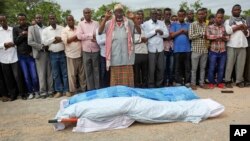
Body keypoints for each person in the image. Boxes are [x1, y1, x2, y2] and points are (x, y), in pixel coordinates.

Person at [98, 3, 141, 87]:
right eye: (117, 12)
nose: (119, 14)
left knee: (128, 84)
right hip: (115, 59)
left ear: (123, 13)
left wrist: (134, 19)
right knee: (116, 84)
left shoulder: (129, 23)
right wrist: (105, 18)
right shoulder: (108, 24)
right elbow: (99, 32)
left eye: (121, 12)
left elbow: (139, 31)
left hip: (127, 59)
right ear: (114, 13)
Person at [0, 14, 27, 101]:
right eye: (1, 21)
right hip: (3, 58)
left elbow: (16, 40)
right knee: (8, 78)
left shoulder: (13, 29)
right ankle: (13, 95)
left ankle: (23, 94)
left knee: (17, 76)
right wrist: (4, 45)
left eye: (4, 20)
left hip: (14, 56)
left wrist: (13, 44)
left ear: (7, 20)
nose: (2, 22)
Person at [42, 14, 70, 97]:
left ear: (56, 19)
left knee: (65, 73)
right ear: (48, 20)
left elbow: (65, 39)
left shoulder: (62, 28)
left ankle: (66, 90)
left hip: (62, 53)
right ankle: (59, 91)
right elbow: (45, 42)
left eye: (53, 18)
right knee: (56, 74)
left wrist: (60, 39)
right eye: (50, 18)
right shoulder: (46, 30)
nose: (52, 20)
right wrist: (54, 38)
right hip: (53, 54)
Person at [13, 13, 39, 99]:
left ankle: (37, 91)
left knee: (34, 76)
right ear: (18, 20)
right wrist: (21, 35)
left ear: (25, 19)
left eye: (23, 19)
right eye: (20, 20)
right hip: (21, 57)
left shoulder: (30, 27)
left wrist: (28, 34)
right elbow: (15, 42)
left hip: (30, 55)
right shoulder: (15, 29)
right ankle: (30, 92)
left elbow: (35, 40)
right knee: (26, 76)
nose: (22, 21)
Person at [28, 14, 54, 98]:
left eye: (40, 17)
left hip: (48, 52)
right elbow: (30, 41)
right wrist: (41, 46)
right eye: (37, 18)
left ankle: (50, 91)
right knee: (41, 74)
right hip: (39, 53)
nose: (39, 19)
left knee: (49, 73)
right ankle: (43, 92)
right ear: (35, 19)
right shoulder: (31, 28)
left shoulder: (46, 28)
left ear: (42, 18)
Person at [224, 4, 249, 88]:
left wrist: (244, 29)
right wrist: (239, 27)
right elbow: (228, 31)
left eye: (238, 10)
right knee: (230, 64)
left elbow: (247, 34)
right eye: (235, 10)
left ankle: (239, 81)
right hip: (232, 45)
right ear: (232, 11)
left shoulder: (244, 21)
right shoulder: (228, 21)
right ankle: (227, 80)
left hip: (242, 45)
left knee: (241, 65)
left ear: (240, 11)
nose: (237, 11)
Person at [143, 9, 169, 88]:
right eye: (153, 14)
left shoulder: (161, 23)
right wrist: (155, 31)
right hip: (151, 49)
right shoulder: (146, 24)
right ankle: (151, 85)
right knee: (151, 69)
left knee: (161, 68)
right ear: (150, 15)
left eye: (156, 14)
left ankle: (159, 84)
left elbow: (167, 34)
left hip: (160, 48)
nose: (154, 15)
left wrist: (161, 33)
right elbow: (145, 36)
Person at [62, 15, 86, 95]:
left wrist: (73, 39)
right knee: (72, 75)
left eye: (72, 20)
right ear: (66, 21)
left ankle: (83, 89)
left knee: (82, 74)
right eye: (69, 20)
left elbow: (81, 38)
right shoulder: (64, 30)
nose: (71, 21)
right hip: (70, 55)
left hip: (80, 54)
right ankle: (73, 91)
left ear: (74, 20)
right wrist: (75, 36)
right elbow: (66, 41)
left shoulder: (78, 28)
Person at [77, 8, 100, 90]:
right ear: (83, 14)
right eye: (85, 13)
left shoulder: (96, 23)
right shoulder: (80, 24)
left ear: (91, 13)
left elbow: (98, 35)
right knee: (88, 71)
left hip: (95, 50)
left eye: (88, 12)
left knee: (96, 70)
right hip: (86, 51)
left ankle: (97, 88)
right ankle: (91, 89)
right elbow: (79, 36)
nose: (87, 14)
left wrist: (87, 36)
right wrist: (90, 35)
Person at [206, 12, 229, 89]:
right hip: (213, 51)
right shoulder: (210, 27)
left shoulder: (224, 27)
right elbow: (208, 36)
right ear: (215, 18)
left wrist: (223, 38)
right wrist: (219, 37)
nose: (220, 19)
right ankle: (211, 82)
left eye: (221, 18)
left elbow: (228, 37)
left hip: (222, 51)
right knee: (212, 67)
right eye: (218, 17)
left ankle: (219, 82)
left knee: (221, 68)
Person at [189, 9, 209, 90]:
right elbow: (190, 36)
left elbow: (207, 36)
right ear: (197, 15)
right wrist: (200, 34)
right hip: (195, 50)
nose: (201, 15)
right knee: (194, 69)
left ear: (204, 15)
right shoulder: (193, 24)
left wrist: (206, 37)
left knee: (203, 68)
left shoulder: (205, 25)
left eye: (202, 14)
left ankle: (201, 83)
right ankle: (193, 84)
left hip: (204, 50)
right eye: (199, 14)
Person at [170, 9, 191, 87]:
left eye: (182, 16)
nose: (181, 17)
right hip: (177, 49)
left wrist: (186, 32)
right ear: (178, 16)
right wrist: (181, 31)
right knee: (177, 67)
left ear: (185, 16)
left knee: (187, 67)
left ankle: (187, 82)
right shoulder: (174, 25)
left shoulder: (188, 24)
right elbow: (171, 35)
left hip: (187, 49)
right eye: (179, 16)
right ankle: (178, 82)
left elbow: (191, 36)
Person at [133, 11, 148, 88]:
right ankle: (137, 87)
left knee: (145, 72)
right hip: (136, 52)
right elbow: (131, 40)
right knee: (137, 72)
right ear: (134, 19)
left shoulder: (144, 27)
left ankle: (145, 87)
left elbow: (147, 38)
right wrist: (140, 40)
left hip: (145, 52)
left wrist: (145, 39)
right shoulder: (131, 28)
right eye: (137, 18)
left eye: (140, 19)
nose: (139, 20)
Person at [96, 15, 110, 88]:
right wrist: (109, 39)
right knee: (104, 73)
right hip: (103, 55)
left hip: (112, 55)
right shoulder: (98, 29)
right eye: (103, 20)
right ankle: (104, 88)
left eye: (106, 20)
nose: (105, 22)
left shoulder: (110, 29)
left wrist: (106, 40)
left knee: (110, 73)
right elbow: (99, 42)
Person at [163, 8, 174, 86]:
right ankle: (164, 82)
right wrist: (166, 37)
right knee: (163, 67)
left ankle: (170, 82)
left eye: (169, 14)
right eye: (166, 14)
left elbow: (175, 34)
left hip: (172, 48)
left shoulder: (174, 23)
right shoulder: (160, 23)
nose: (168, 16)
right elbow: (159, 35)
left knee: (171, 66)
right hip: (163, 48)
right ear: (164, 15)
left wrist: (172, 36)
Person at [244, 16, 250, 87]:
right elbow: (247, 31)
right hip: (249, 45)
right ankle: (248, 80)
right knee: (248, 64)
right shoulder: (248, 18)